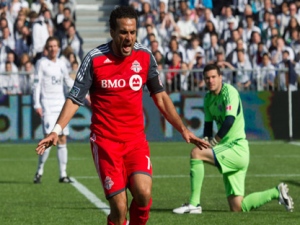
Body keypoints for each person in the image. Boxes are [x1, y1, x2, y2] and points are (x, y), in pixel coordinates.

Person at [35, 6, 209, 225]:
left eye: (133, 32)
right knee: (119, 208)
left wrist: (183, 129)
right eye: (124, 32)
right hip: (106, 143)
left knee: (143, 193)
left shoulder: (145, 56)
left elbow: (161, 97)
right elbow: (74, 98)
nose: (129, 38)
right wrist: (55, 131)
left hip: (135, 141)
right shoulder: (95, 59)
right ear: (112, 32)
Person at [173, 63, 294, 214]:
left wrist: (213, 142)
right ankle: (276, 192)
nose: (210, 81)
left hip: (236, 148)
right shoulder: (208, 99)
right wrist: (204, 141)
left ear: (220, 77)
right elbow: (208, 127)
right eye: (207, 78)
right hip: (229, 150)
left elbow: (229, 121)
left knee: (196, 154)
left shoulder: (229, 92)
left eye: (213, 77)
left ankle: (194, 204)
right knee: (237, 207)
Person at [33, 36, 75, 184]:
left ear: (58, 47)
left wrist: (83, 93)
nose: (53, 48)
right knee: (47, 137)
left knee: (62, 138)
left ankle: (63, 174)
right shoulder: (41, 63)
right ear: (47, 48)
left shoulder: (62, 64)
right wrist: (36, 104)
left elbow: (67, 81)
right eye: (50, 46)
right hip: (47, 105)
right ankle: (39, 171)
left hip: (61, 104)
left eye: (55, 46)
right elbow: (37, 84)